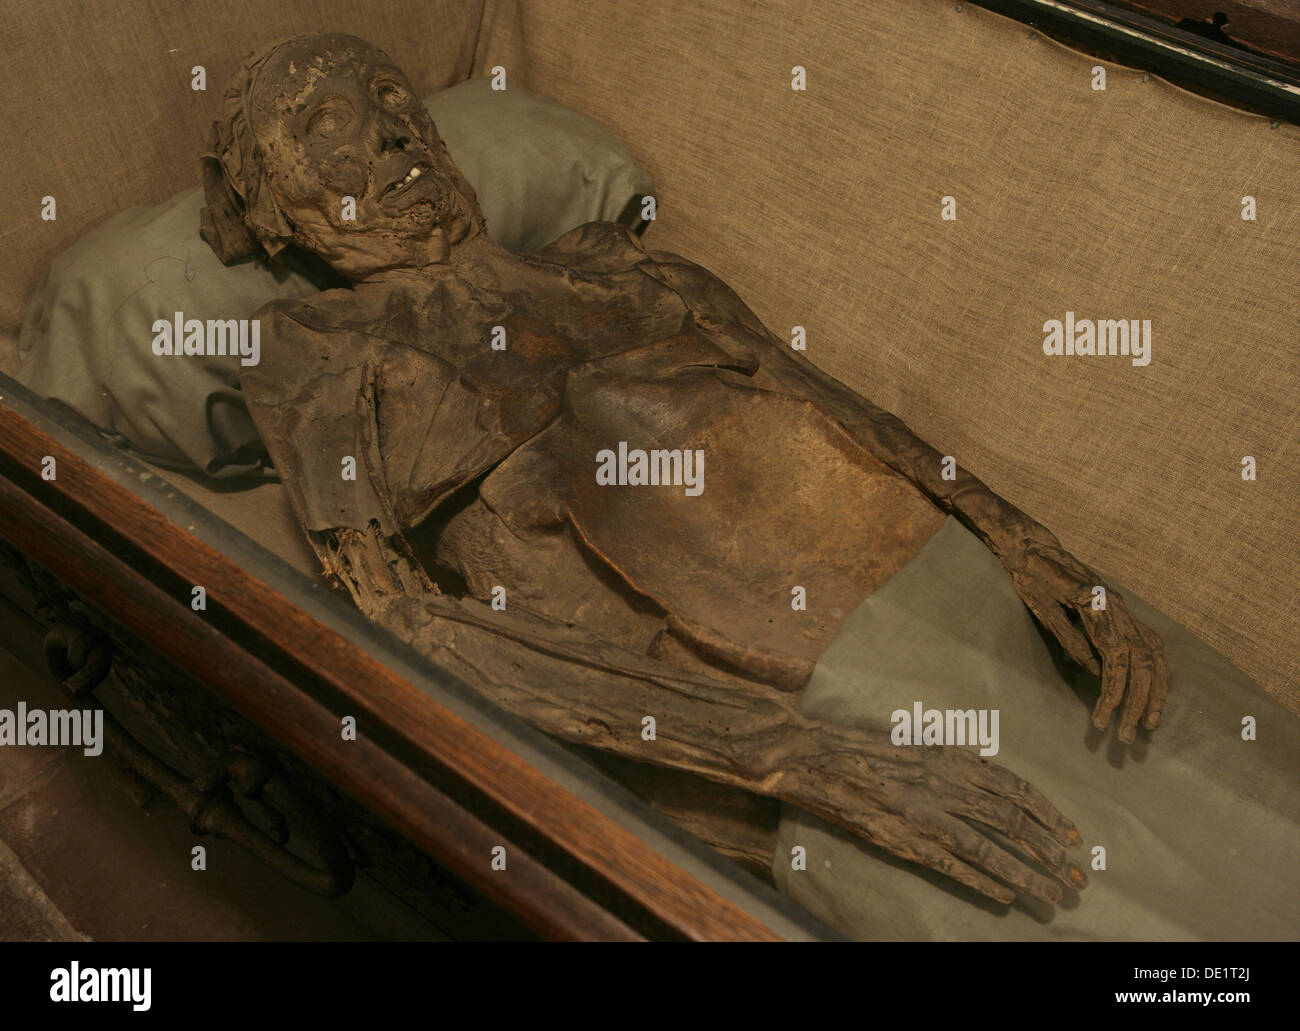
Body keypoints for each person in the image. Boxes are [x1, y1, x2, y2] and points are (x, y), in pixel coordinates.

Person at [199, 34, 1291, 930]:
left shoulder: (614, 257)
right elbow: (405, 626)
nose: (388, 126)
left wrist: (1024, 539)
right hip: (781, 715)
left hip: (945, 578)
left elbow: (835, 400)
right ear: (273, 206)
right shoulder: (314, 351)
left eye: (392, 96)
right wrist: (794, 757)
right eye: (326, 123)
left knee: (1256, 793)